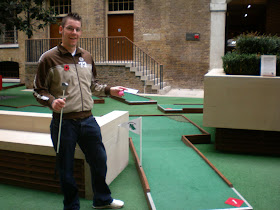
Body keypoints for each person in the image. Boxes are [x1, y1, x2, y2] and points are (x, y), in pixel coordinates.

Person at [33, 13, 125, 210]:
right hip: (63, 123)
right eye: (70, 28)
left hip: (88, 121)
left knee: (99, 161)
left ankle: (102, 200)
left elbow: (93, 85)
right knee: (66, 168)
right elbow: (38, 90)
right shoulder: (48, 59)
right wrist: (51, 101)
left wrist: (111, 90)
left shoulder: (87, 56)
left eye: (77, 29)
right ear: (61, 30)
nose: (74, 32)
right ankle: (72, 207)